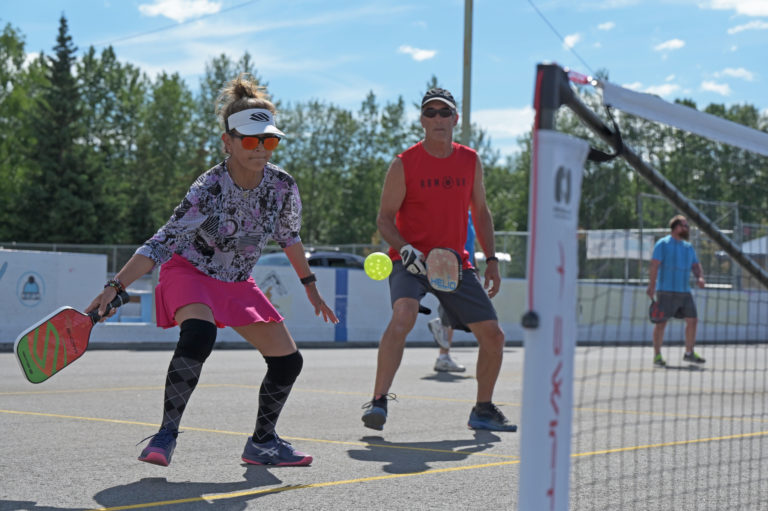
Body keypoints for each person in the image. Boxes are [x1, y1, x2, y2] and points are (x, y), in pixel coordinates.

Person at [87, 74, 338, 467]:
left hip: (236, 280)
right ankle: (165, 433)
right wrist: (116, 284)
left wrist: (310, 285)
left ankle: (263, 442)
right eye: (251, 140)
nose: (261, 149)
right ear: (228, 142)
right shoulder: (209, 188)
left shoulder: (282, 187)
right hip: (189, 270)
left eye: (269, 140)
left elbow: (289, 236)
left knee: (289, 361)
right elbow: (163, 240)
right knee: (199, 333)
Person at [362, 87, 515, 432]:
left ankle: (483, 409)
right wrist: (404, 248)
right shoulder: (404, 164)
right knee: (403, 314)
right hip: (411, 260)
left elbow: (482, 212)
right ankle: (379, 402)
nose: (437, 119)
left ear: (455, 119)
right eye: (430, 113)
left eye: (444, 113)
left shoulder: (470, 160)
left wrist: (491, 260)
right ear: (421, 120)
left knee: (494, 336)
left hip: (453, 262)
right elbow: (384, 218)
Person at [646, 215, 706, 366]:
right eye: (684, 225)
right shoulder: (663, 244)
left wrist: (700, 277)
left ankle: (689, 353)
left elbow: (696, 265)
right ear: (676, 228)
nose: (687, 228)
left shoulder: (688, 247)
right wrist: (651, 286)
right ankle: (657, 355)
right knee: (661, 323)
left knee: (693, 320)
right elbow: (654, 265)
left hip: (684, 291)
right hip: (666, 291)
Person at [427, 211, 476, 373]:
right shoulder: (454, 212)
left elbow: (470, 245)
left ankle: (444, 356)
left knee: (453, 308)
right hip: (451, 263)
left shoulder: (469, 215)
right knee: (454, 308)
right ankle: (440, 330)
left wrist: (474, 267)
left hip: (463, 266)